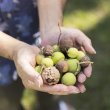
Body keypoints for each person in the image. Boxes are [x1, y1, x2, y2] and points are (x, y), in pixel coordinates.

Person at [0, 0, 96, 110]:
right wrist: (14, 49)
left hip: (37, 32)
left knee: (50, 92)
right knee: (7, 101)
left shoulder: (52, 58)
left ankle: (52, 105)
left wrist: (50, 26)